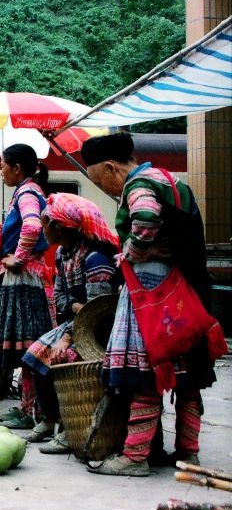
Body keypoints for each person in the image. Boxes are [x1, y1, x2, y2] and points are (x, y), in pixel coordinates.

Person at [81, 132, 225, 476]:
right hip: (187, 292)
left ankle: (135, 456)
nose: (108, 191)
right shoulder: (170, 180)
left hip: (153, 293)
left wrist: (134, 250)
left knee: (145, 374)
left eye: (101, 182)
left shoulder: (139, 184)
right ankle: (188, 454)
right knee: (187, 376)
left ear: (112, 168)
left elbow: (145, 219)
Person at [16, 193, 119, 449]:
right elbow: (62, 297)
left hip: (101, 331)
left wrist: (67, 335)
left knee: (60, 361)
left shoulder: (95, 259)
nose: (42, 230)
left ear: (59, 226)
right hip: (78, 321)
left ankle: (68, 427)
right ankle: (49, 419)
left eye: (45, 224)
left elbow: (99, 312)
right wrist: (75, 306)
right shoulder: (63, 253)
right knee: (33, 356)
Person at [0, 143, 55, 413]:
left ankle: (34, 409)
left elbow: (31, 224)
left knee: (29, 345)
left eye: (3, 165)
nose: (1, 171)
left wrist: (18, 257)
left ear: (17, 168)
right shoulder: (27, 191)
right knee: (28, 346)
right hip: (26, 277)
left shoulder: (26, 192)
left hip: (24, 278)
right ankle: (29, 406)